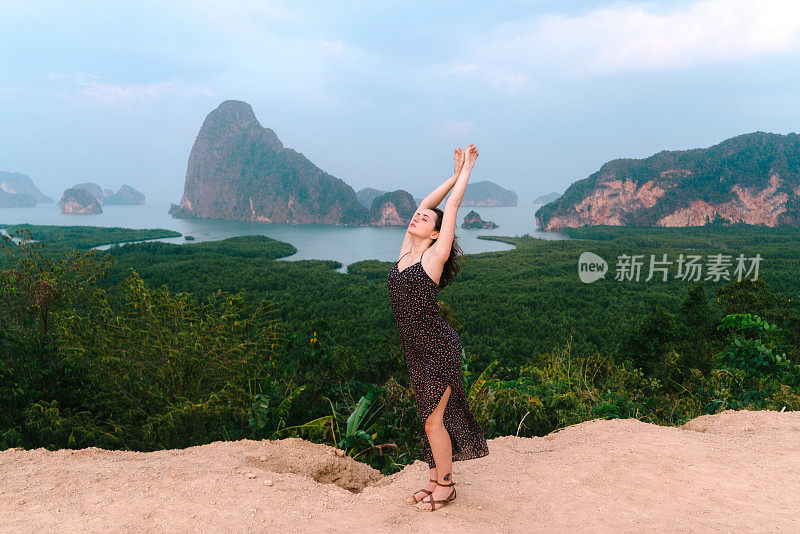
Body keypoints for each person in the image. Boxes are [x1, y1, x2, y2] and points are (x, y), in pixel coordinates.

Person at [386, 144, 490, 512]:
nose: (418, 217)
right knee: (430, 419)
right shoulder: (405, 253)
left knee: (433, 421)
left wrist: (467, 171)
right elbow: (429, 201)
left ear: (435, 234)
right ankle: (434, 480)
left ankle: (446, 486)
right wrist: (453, 169)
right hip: (416, 351)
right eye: (417, 215)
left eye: (426, 220)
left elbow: (452, 208)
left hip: (438, 347)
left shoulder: (433, 257)